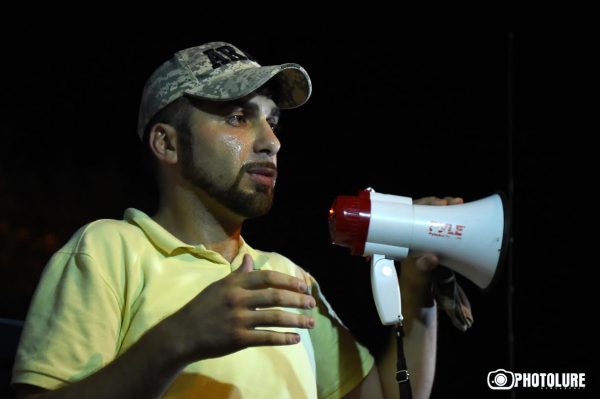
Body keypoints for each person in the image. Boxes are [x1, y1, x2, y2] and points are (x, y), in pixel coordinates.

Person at [12, 41, 462, 399]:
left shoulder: (285, 277)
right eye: (237, 118)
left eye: (272, 122)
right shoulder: (109, 250)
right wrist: (178, 340)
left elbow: (386, 395)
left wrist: (417, 293)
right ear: (167, 145)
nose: (271, 142)